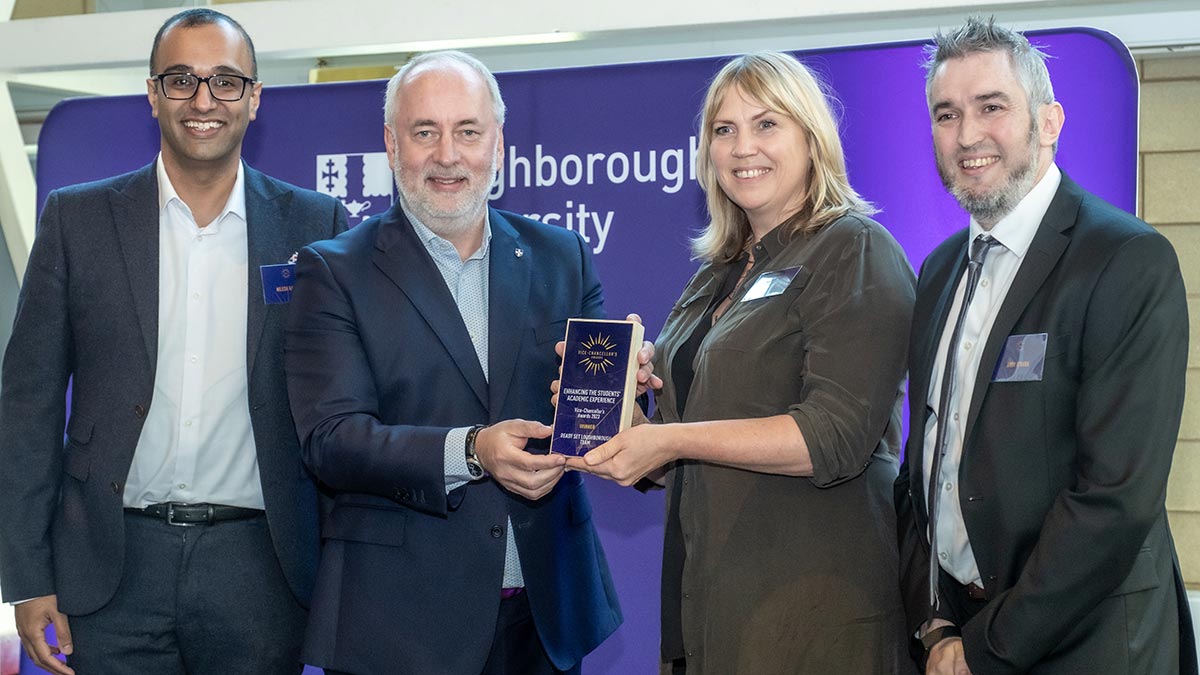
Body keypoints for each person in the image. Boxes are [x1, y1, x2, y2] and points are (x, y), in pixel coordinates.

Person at [0, 8, 347, 675]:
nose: (203, 100)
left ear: (255, 97)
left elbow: (336, 405)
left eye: (225, 81)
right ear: (153, 93)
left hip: (261, 568)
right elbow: (27, 408)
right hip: (111, 566)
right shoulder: (78, 220)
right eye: (182, 79)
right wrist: (28, 576)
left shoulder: (315, 224)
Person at [284, 50, 642, 675]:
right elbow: (331, 440)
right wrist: (472, 451)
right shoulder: (333, 269)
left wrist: (627, 397)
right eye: (425, 132)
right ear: (392, 146)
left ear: (497, 145)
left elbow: (593, 419)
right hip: (399, 627)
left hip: (543, 618)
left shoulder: (564, 256)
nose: (447, 155)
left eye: (468, 132)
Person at [565, 51, 915, 674]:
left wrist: (672, 437)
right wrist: (616, 418)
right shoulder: (716, 275)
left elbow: (834, 438)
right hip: (709, 616)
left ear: (812, 138)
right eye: (723, 130)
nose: (742, 146)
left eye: (766, 124)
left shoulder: (853, 249)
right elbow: (697, 457)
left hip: (813, 622)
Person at [895, 16, 1197, 675]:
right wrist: (935, 618)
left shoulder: (1127, 261)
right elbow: (926, 465)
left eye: (991, 107)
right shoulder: (940, 269)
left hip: (1085, 646)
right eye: (947, 114)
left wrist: (981, 648)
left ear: (1050, 122)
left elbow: (1114, 498)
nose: (967, 134)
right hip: (958, 635)